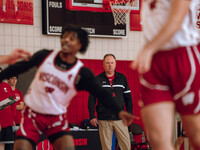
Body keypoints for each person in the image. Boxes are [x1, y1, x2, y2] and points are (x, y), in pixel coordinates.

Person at [0, 24, 133, 150]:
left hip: (56, 117)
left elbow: (102, 94)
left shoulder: (81, 73)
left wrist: (120, 111)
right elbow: (19, 67)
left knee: (67, 146)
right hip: (33, 114)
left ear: (79, 45)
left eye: (72, 39)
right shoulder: (45, 56)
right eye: (65, 37)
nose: (67, 41)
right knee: (21, 146)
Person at [131, 0, 200, 150]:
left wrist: (149, 48)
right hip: (154, 61)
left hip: (182, 55)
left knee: (195, 135)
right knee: (156, 138)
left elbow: (176, 19)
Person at [88, 53, 133, 150]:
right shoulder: (97, 80)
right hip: (104, 119)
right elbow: (91, 99)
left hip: (120, 119)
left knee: (126, 146)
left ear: (115, 64)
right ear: (103, 64)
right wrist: (92, 116)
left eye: (112, 63)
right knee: (106, 148)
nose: (110, 65)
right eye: (107, 63)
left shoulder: (122, 78)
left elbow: (128, 98)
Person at [0, 67, 16, 150]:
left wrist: (13, 118)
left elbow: (13, 103)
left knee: (5, 143)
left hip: (8, 121)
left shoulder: (6, 86)